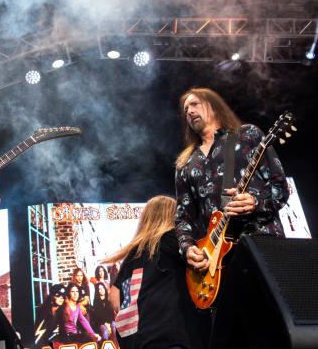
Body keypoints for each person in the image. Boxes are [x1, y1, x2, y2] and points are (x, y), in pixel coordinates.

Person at [174, 88, 289, 348]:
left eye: (194, 104)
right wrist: (188, 248)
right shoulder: (186, 163)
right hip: (218, 263)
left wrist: (255, 202)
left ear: (213, 106)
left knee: (270, 332)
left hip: (261, 248)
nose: (189, 111)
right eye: (185, 110)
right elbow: (182, 216)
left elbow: (280, 188)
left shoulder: (247, 136)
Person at [103, 195, 201, 349]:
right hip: (170, 338)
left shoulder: (132, 254)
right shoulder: (172, 239)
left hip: (137, 341)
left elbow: (113, 297)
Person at [33, 283, 66, 348]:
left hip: (54, 343)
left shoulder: (61, 312)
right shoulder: (42, 310)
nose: (61, 298)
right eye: (58, 295)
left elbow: (62, 332)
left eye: (63, 296)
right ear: (52, 296)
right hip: (41, 343)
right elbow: (38, 333)